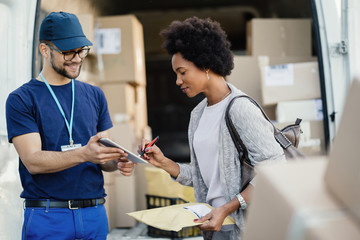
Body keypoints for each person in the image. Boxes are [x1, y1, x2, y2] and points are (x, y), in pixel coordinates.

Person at [140, 17, 285, 240]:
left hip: (244, 229)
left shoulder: (240, 108)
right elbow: (201, 178)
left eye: (182, 72)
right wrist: (164, 163)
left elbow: (274, 168)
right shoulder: (197, 114)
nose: (178, 81)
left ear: (206, 65)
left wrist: (227, 208)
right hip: (214, 225)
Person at [5, 11, 134, 239]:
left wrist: (119, 160)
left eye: (81, 50)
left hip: (94, 214)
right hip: (48, 217)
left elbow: (102, 154)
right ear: (45, 50)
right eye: (67, 52)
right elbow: (33, 161)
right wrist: (84, 153)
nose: (77, 58)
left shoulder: (95, 95)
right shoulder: (21, 99)